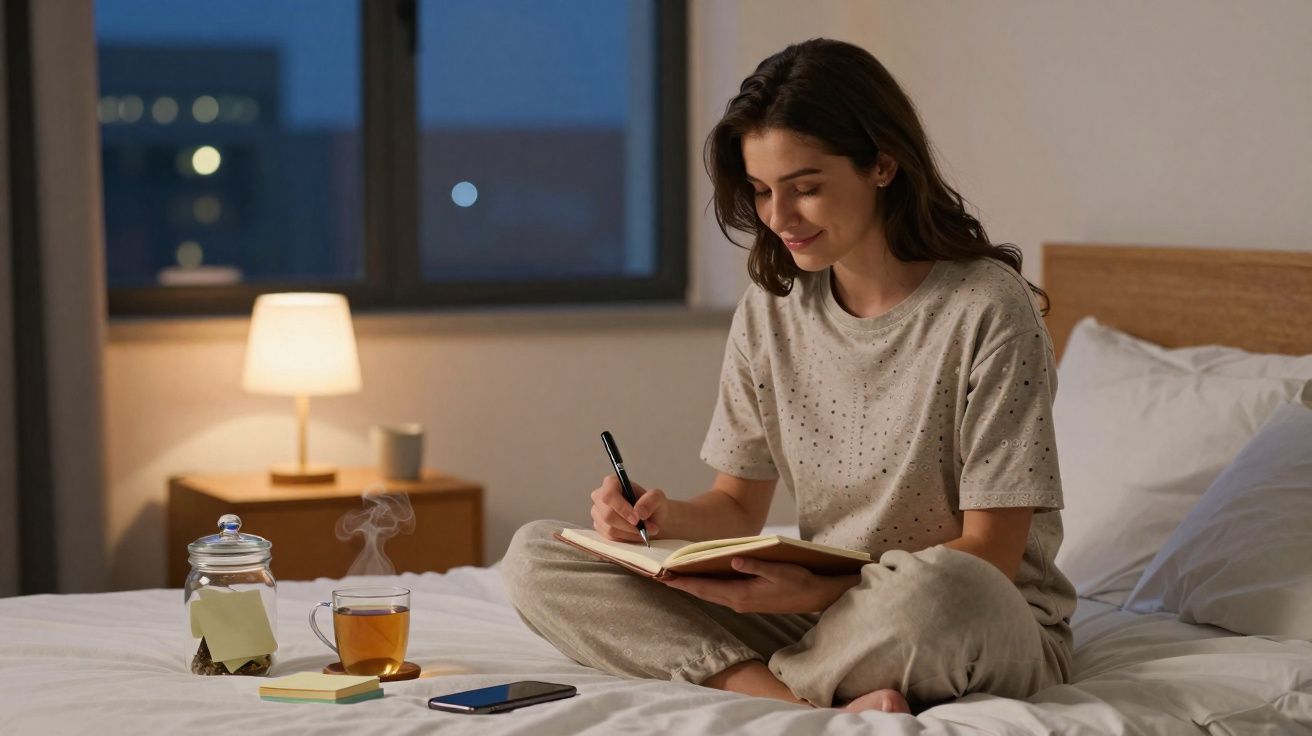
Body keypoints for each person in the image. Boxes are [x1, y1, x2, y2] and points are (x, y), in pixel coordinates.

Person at [500, 38, 1076, 715]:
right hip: (822, 614)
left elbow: (990, 556)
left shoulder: (988, 307)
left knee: (941, 589)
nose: (777, 219)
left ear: (882, 164)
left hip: (970, 616)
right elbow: (736, 506)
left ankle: (781, 684)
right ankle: (791, 698)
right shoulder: (773, 308)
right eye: (762, 191)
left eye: (805, 189)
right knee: (537, 555)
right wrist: (657, 519)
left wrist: (821, 590)